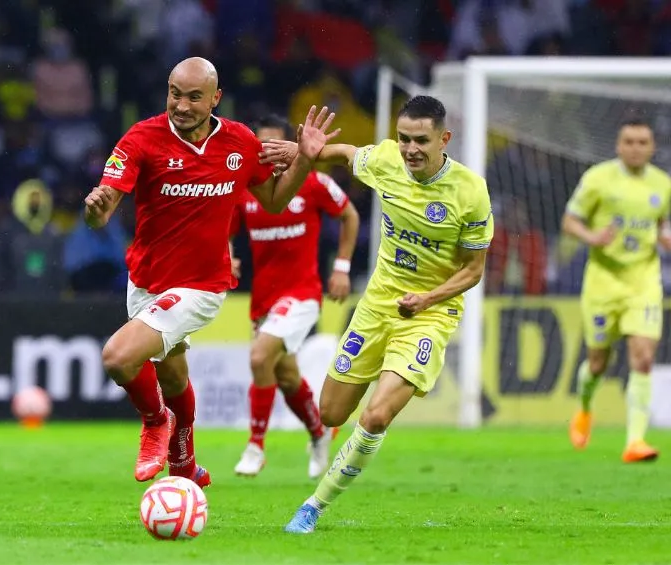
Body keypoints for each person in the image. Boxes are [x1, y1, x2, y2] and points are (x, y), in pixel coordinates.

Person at [83, 57, 337, 487]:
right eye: (174, 93)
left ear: (215, 98)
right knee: (173, 374)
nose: (180, 105)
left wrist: (305, 162)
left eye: (193, 97)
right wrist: (97, 212)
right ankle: (185, 463)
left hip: (202, 286)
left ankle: (154, 421)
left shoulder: (238, 141)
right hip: (147, 280)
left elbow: (274, 200)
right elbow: (102, 208)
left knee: (118, 358)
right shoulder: (141, 138)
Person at [261, 95, 493, 533]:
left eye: (421, 141)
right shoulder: (386, 160)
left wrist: (428, 299)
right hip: (376, 307)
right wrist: (302, 151)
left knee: (375, 416)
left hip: (429, 315)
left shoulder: (470, 191)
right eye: (404, 138)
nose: (410, 150)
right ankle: (327, 453)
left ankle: (313, 506)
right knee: (331, 413)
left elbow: (473, 269)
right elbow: (347, 154)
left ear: (444, 138)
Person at [230, 114, 360, 479]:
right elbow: (224, 228)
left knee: (259, 357)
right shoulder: (248, 191)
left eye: (274, 146)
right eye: (261, 147)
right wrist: (229, 255)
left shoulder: (315, 183)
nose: (267, 154)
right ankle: (319, 432)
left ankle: (255, 446)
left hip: (302, 294)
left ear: (288, 148)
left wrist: (342, 267)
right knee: (284, 376)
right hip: (264, 301)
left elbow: (350, 216)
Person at [564, 116, 671, 463]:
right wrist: (591, 237)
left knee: (642, 357)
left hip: (643, 282)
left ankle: (635, 441)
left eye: (643, 142)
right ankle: (584, 408)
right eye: (629, 142)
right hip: (603, 282)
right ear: (618, 145)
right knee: (598, 362)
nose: (636, 148)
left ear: (652, 147)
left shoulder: (663, 185)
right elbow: (569, 220)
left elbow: (663, 226)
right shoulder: (598, 179)